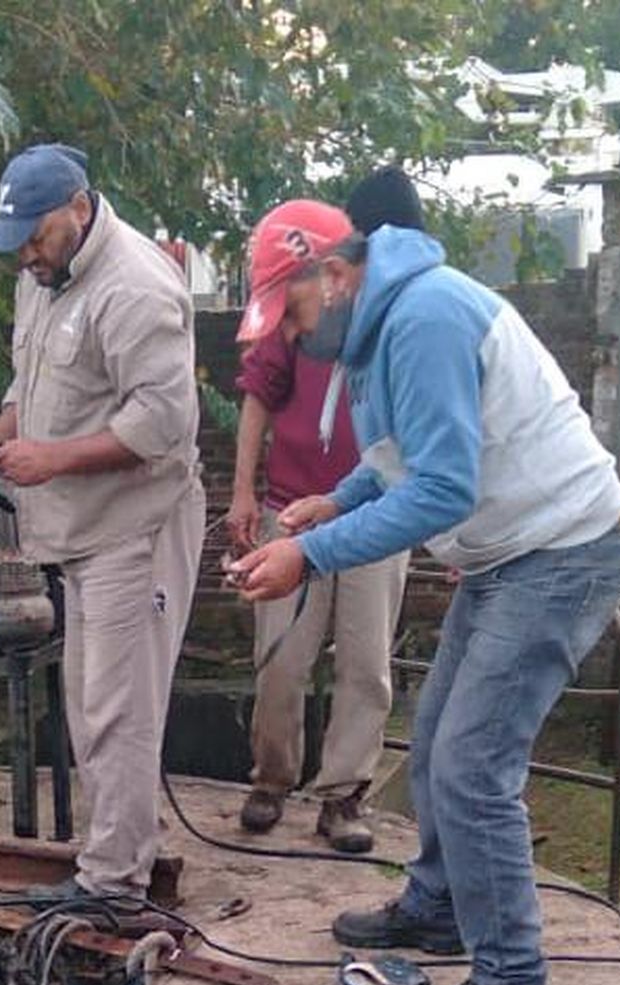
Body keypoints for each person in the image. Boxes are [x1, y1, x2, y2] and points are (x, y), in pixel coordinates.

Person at [229, 199, 620, 985]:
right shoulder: (379, 329)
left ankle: (514, 982)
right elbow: (401, 460)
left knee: (472, 766)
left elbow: (442, 489)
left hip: (562, 550)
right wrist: (334, 501)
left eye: (293, 314)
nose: (290, 340)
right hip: (510, 552)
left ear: (334, 277)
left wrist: (311, 553)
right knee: (439, 737)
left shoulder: (423, 319)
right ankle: (441, 907)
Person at [0, 142, 205, 902]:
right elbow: (28, 385)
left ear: (79, 207)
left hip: (135, 527)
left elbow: (163, 424)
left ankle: (114, 882)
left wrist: (54, 460)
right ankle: (110, 862)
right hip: (81, 531)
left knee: (118, 707)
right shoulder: (43, 278)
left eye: (35, 238)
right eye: (16, 244)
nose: (24, 258)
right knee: (90, 704)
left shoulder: (135, 287)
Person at [227, 171, 424, 851]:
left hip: (378, 515)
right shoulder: (290, 315)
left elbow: (437, 443)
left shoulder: (398, 324)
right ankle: (271, 777)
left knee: (366, 664)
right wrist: (244, 492)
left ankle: (344, 794)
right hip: (295, 509)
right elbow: (256, 396)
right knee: (280, 658)